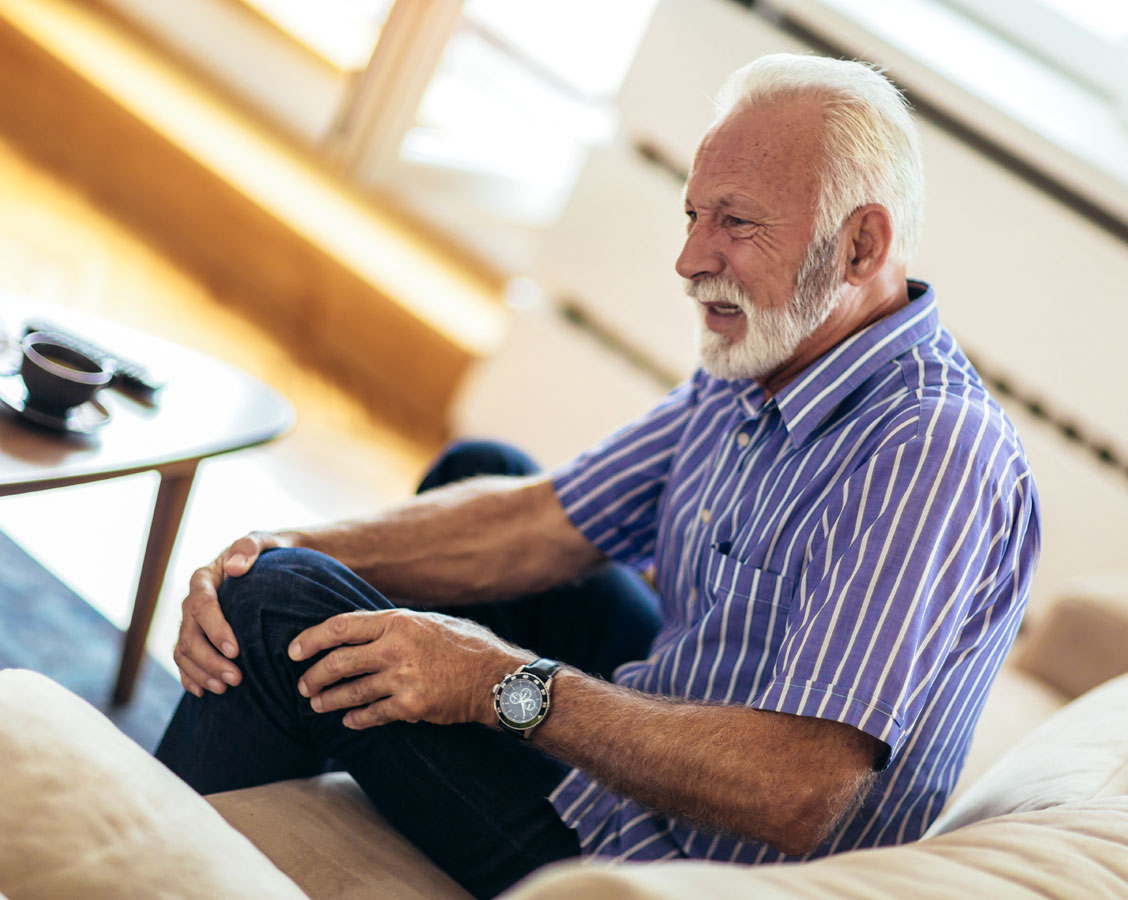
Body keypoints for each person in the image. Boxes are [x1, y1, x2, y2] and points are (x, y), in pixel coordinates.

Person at [157, 53, 1040, 899]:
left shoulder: (928, 453)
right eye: (693, 216)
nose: (691, 260)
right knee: (469, 479)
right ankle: (279, 746)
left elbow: (798, 792)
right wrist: (278, 540)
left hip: (670, 872)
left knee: (272, 606)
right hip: (668, 757)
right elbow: (541, 522)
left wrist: (504, 682)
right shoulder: (771, 357)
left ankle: (137, 845)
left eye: (735, 223)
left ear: (860, 246)